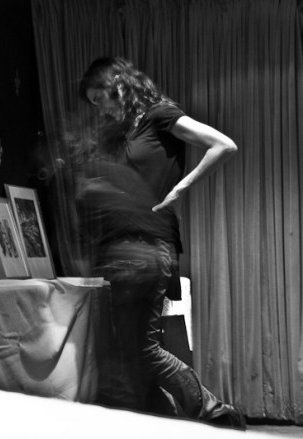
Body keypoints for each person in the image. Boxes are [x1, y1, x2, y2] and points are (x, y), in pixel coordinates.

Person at [75, 56, 244, 428]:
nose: (99, 109)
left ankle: (216, 413)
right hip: (124, 247)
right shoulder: (124, 133)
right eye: (93, 104)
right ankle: (168, 422)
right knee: (131, 352)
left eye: (99, 98)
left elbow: (222, 145)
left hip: (149, 245)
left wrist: (179, 189)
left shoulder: (159, 116)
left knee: (143, 349)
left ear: (118, 84)